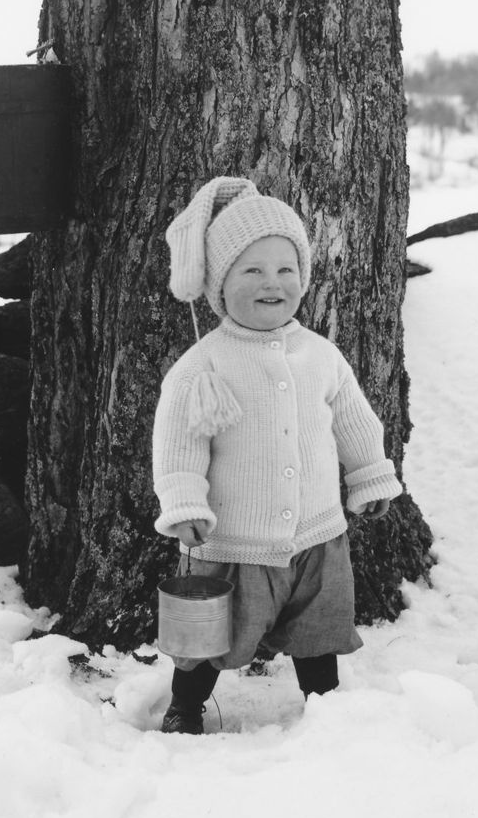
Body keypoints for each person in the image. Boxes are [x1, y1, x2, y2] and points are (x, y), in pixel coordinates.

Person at [152, 176, 402, 734]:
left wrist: (370, 476)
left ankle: (326, 707)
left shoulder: (320, 354)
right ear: (219, 283)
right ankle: (185, 705)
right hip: (236, 539)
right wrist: (185, 503)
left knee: (319, 629)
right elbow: (178, 445)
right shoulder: (204, 365)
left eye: (286, 270)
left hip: (317, 535)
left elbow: (354, 421)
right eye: (253, 271)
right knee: (208, 635)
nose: (274, 283)